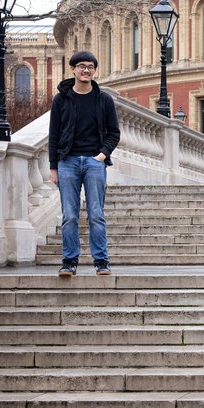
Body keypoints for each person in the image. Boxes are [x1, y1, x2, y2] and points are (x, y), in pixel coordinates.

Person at [48, 50, 121, 277]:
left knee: (96, 213)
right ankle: (69, 261)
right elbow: (54, 134)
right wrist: (53, 166)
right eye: (81, 66)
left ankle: (101, 261)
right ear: (73, 69)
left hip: (94, 162)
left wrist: (102, 154)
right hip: (67, 162)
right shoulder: (61, 100)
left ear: (94, 71)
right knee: (69, 215)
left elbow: (114, 132)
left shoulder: (104, 99)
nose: (86, 70)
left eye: (90, 66)